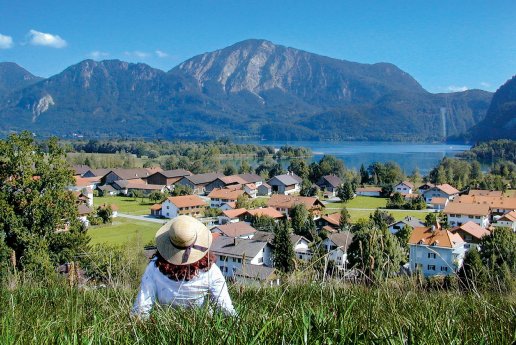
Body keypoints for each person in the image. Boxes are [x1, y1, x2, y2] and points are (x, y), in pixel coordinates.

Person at [131, 215, 236, 319]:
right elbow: (225, 308)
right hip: (204, 326)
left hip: (166, 324)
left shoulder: (154, 267)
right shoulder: (210, 271)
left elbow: (141, 308)